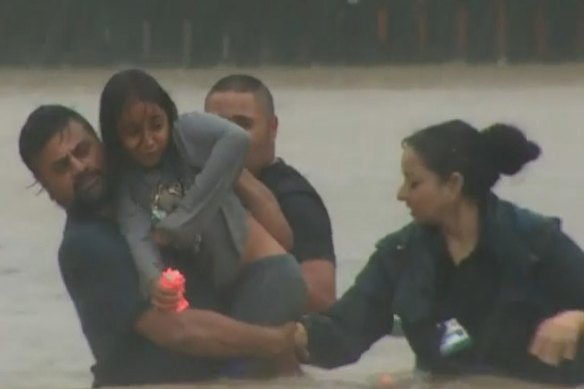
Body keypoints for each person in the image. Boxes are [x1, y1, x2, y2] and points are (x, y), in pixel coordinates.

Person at [18, 104, 305, 387]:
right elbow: (178, 332)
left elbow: (280, 242)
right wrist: (278, 340)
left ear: (103, 144)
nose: (80, 167)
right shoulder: (86, 246)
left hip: (224, 369)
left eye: (82, 151)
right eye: (61, 166)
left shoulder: (152, 195)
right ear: (44, 184)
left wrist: (225, 168)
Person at [291, 120, 584, 386]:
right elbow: (345, 330)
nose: (401, 194)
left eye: (414, 182)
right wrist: (291, 336)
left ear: (453, 184)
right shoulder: (400, 253)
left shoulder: (536, 242)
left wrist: (576, 319)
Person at [98, 69, 304, 318]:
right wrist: (155, 283)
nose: (149, 141)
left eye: (156, 125)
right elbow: (138, 238)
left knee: (248, 353)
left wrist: (183, 220)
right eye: (133, 133)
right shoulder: (128, 187)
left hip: (266, 273)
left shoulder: (186, 134)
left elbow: (237, 139)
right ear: (115, 137)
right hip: (221, 291)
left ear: (168, 116)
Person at [205, 74, 336, 312]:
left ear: (272, 128)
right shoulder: (189, 185)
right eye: (216, 125)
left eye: (243, 125)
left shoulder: (295, 199)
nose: (228, 137)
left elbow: (321, 297)